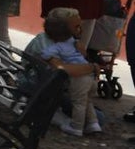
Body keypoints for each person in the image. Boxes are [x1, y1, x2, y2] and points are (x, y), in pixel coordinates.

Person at [28, 8, 101, 136]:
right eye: (77, 26)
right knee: (88, 111)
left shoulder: (68, 41)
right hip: (39, 88)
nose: (81, 29)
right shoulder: (46, 44)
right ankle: (71, 124)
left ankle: (72, 120)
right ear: (63, 29)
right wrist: (92, 68)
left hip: (62, 86)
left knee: (97, 116)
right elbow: (61, 69)